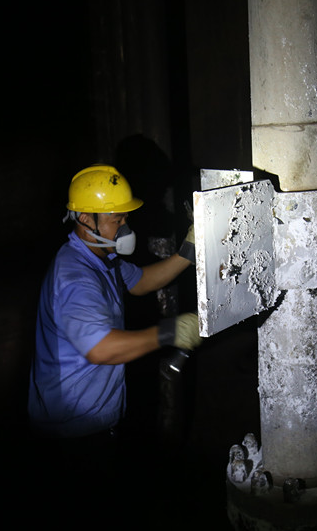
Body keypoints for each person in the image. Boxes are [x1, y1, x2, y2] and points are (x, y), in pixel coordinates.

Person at [27, 164, 201, 524]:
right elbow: (101, 349)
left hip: (93, 421)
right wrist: (169, 332)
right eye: (115, 220)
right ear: (84, 219)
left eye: (125, 218)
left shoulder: (100, 258)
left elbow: (141, 281)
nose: (125, 227)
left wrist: (189, 248)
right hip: (75, 433)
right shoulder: (76, 277)